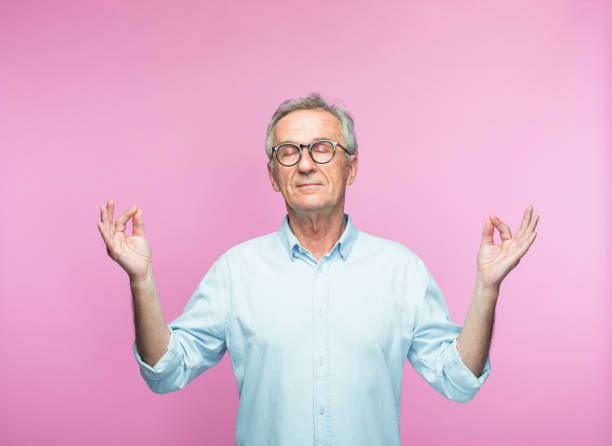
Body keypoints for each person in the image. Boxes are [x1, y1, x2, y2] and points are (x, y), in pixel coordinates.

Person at [97, 93, 539, 445]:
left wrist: (487, 288)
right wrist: (141, 280)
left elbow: (458, 380)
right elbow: (165, 372)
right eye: (288, 152)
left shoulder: (400, 270)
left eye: (322, 149)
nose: (305, 163)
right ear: (273, 175)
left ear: (352, 167)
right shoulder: (236, 271)